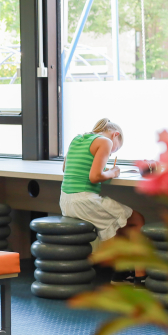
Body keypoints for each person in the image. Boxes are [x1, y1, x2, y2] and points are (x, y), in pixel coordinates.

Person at [61, 118, 144, 284]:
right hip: (84, 201)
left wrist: (105, 171)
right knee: (137, 220)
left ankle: (121, 273)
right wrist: (113, 172)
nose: (111, 153)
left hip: (66, 202)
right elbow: (95, 177)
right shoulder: (105, 141)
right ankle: (140, 277)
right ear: (115, 135)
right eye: (115, 149)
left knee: (122, 222)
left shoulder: (77, 139)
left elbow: (65, 168)